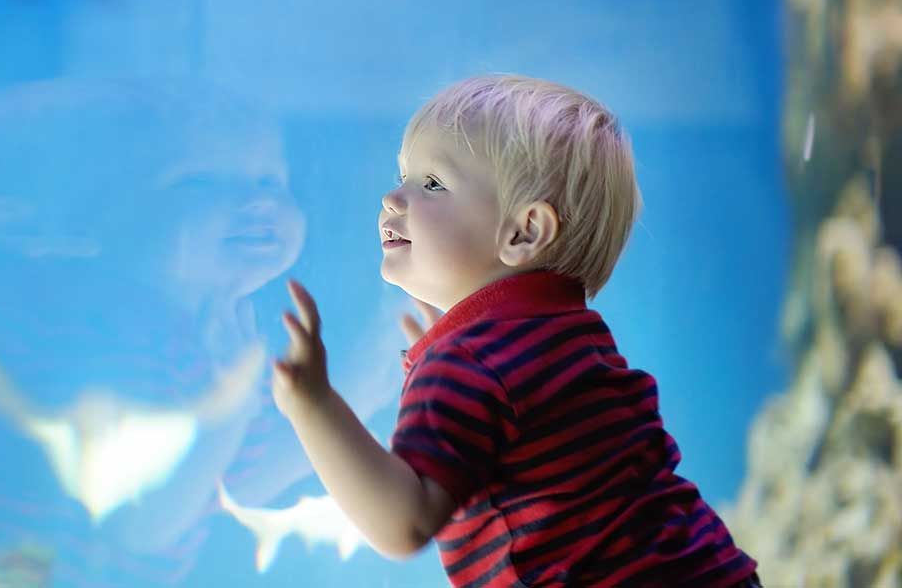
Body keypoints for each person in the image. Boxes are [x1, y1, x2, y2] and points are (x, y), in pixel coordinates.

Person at [271, 74, 762, 587]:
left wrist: (313, 406)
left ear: (524, 231)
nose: (393, 198)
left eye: (432, 183)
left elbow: (405, 522)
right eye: (403, 175)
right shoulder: (571, 334)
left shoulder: (470, 361)